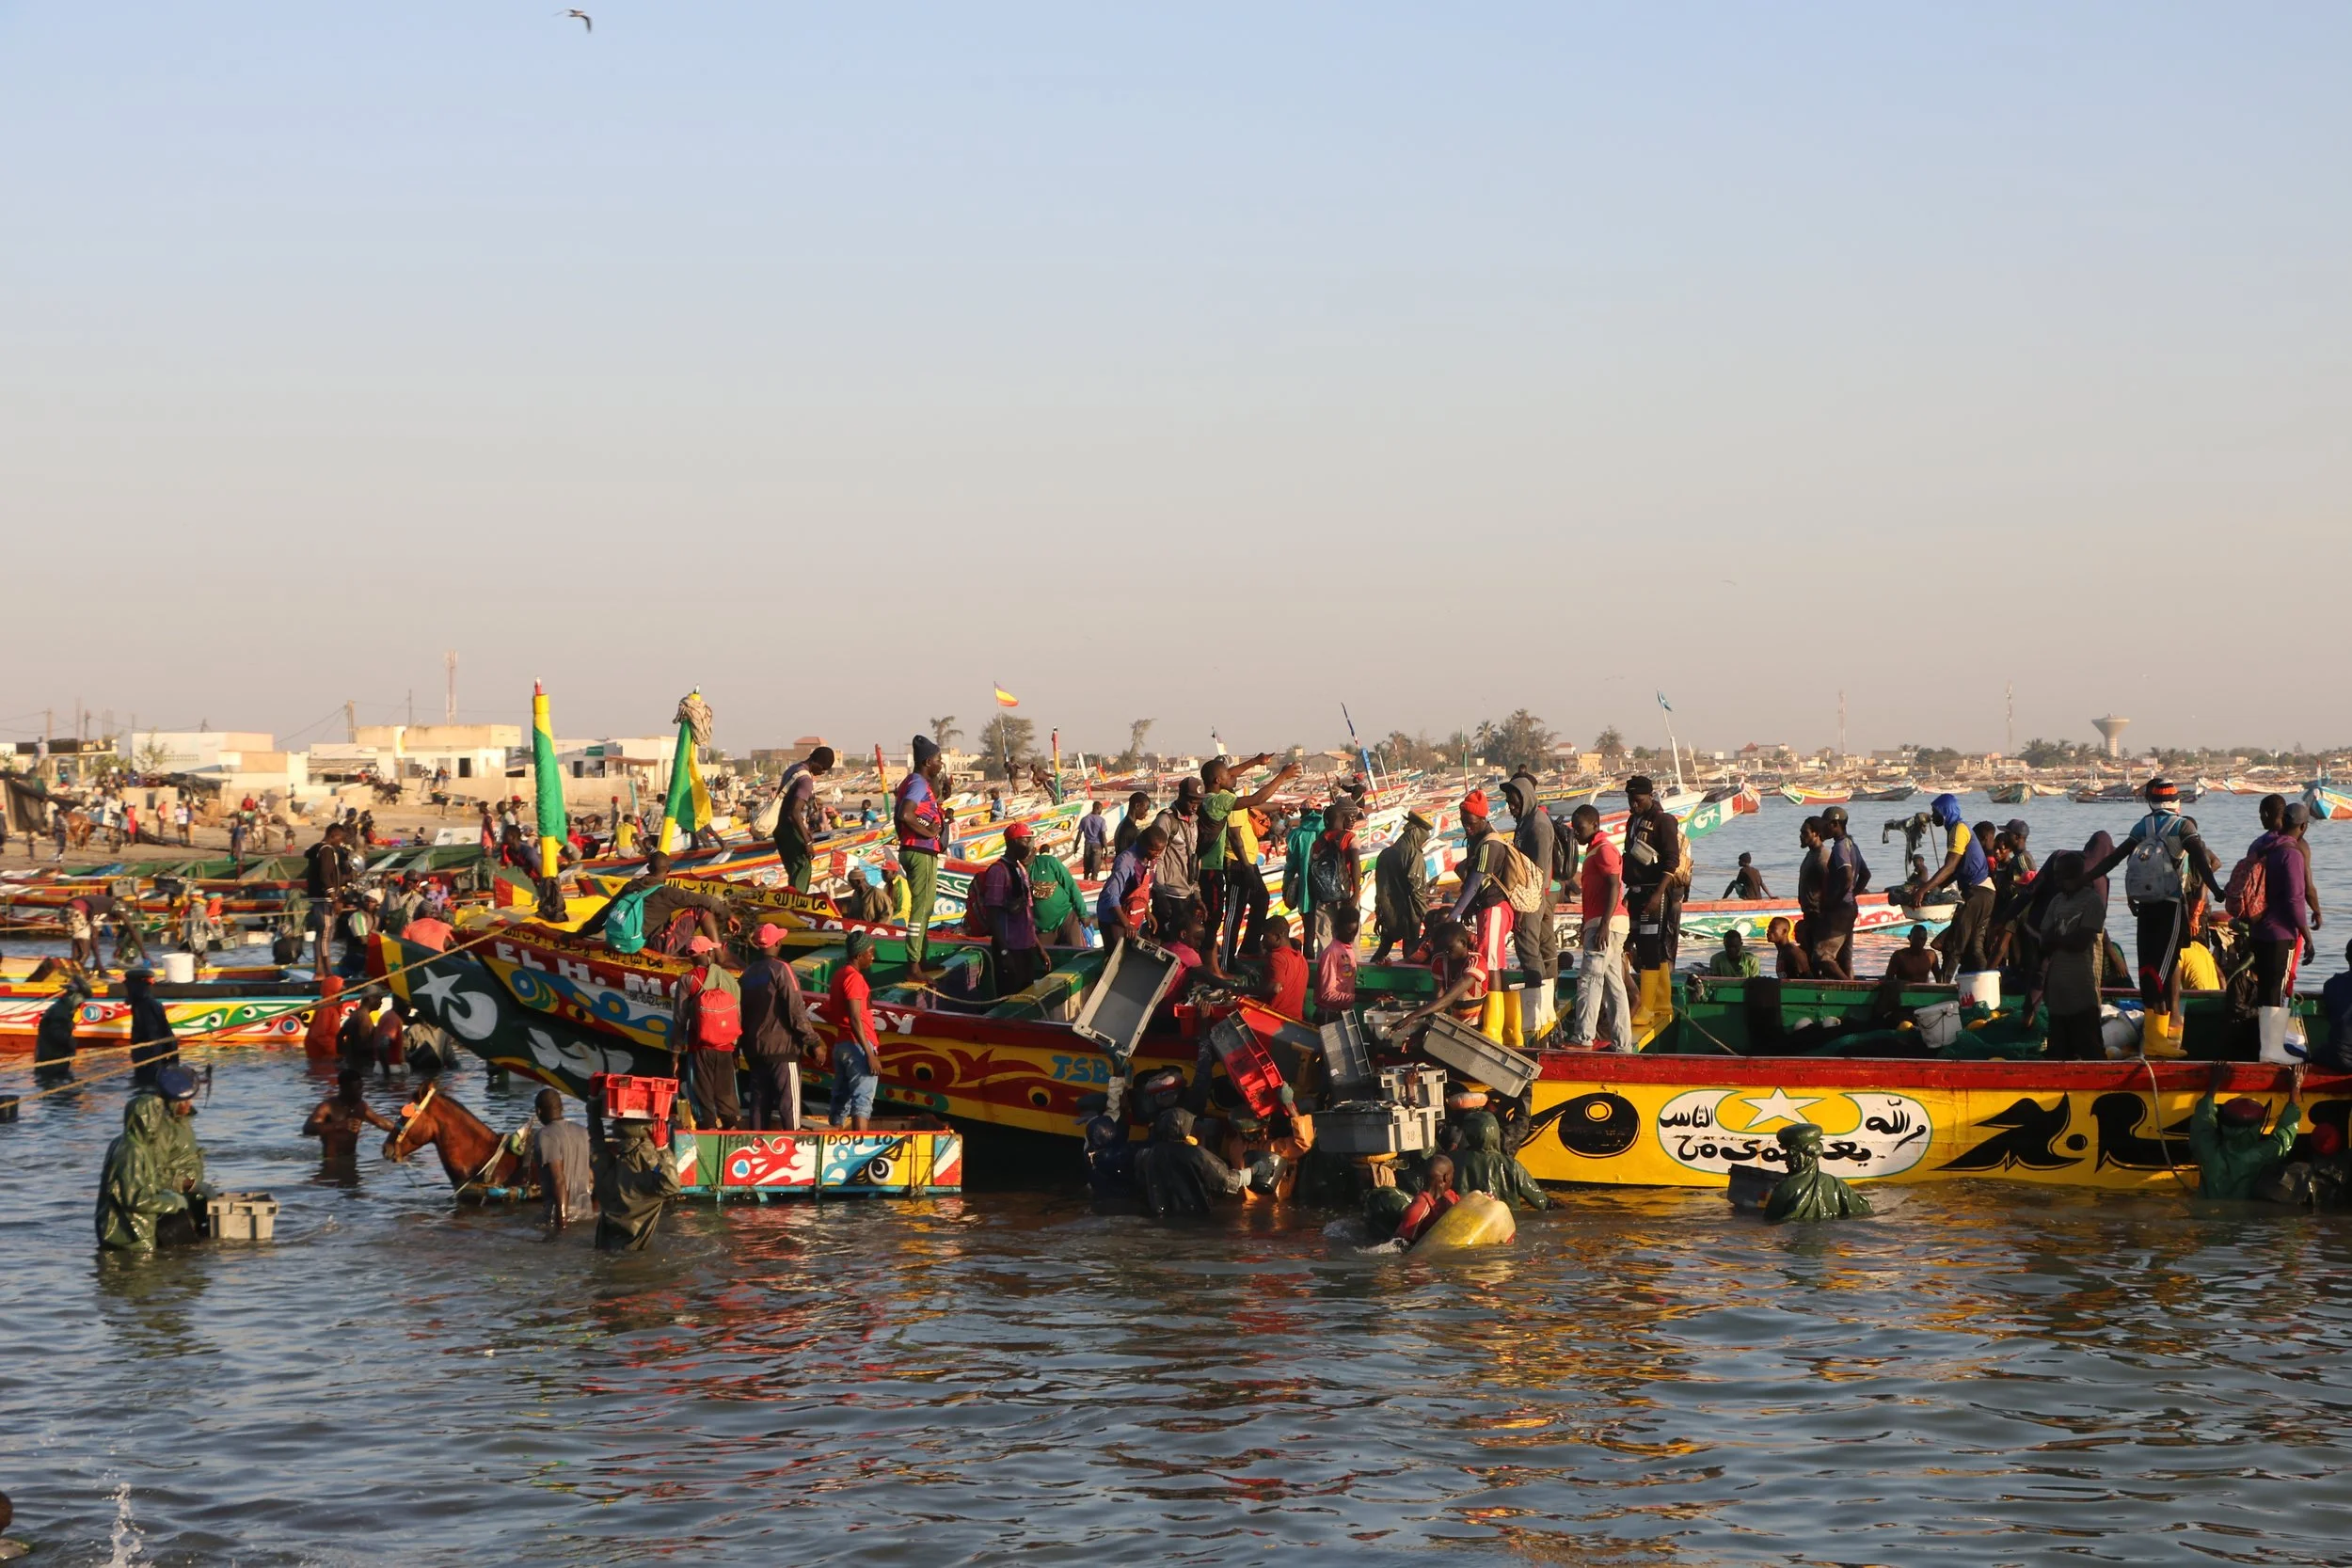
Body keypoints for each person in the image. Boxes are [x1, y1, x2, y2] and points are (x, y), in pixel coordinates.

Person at [2081, 780, 2224, 1030]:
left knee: (2148, 964)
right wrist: (2217, 890)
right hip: (2171, 904)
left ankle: (2155, 1026)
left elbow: (2115, 859)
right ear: (2176, 802)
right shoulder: (2182, 826)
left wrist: (2085, 879)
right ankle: (2169, 1025)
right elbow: (2201, 860)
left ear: (2151, 803)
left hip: (2146, 904)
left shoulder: (2142, 826)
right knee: (2169, 963)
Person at [1198, 752, 1296, 962]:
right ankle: (1227, 961)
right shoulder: (1223, 800)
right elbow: (1237, 834)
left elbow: (1253, 802)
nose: (1234, 775)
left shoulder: (1227, 795)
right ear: (1219, 780)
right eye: (1229, 775)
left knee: (1261, 899)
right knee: (1234, 913)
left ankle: (1249, 948)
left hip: (1248, 860)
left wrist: (1256, 762)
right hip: (1237, 862)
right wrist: (1282, 776)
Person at [1445, 790, 1518, 1042]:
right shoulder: (1477, 839)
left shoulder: (1489, 843)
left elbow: (1475, 883)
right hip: (1486, 909)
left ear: (1482, 818)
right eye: (1464, 822)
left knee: (1491, 965)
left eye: (1471, 822)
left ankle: (1493, 1030)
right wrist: (1468, 909)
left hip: (1495, 907)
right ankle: (1510, 1030)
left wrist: (1455, 913)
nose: (1467, 827)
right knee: (1495, 964)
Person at [739, 923, 822, 1131]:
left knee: (759, 1107)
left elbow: (740, 1014)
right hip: (783, 1050)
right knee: (789, 1107)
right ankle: (793, 1144)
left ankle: (756, 1142)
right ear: (777, 943)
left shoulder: (747, 974)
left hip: (755, 1051)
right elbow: (796, 1009)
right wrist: (814, 1042)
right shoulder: (781, 969)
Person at [2033, 852, 2110, 1060]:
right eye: (2056, 875)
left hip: (2083, 988)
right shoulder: (2057, 901)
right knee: (2058, 1050)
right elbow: (2044, 941)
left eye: (2062, 876)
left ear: (2076, 875)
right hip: (2058, 990)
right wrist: (2063, 939)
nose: (2057, 881)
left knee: (2090, 1046)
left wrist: (2057, 939)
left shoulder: (2092, 901)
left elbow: (2081, 942)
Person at [95, 1092, 195, 1251]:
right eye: (156, 1116)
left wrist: (169, 1190)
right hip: (130, 1238)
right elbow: (137, 1200)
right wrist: (172, 1203)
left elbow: (145, 1184)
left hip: (126, 1232)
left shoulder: (126, 1143)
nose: (160, 1122)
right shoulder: (132, 1151)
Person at [1565, 803, 1629, 1049]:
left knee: (1590, 979)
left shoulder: (1604, 849)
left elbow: (1615, 885)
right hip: (1605, 922)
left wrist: (1603, 924)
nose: (1576, 833)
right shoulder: (1595, 851)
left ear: (1594, 825)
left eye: (1579, 828)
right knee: (1613, 986)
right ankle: (1623, 1043)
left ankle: (1583, 1037)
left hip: (1607, 924)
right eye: (1574, 828)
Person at [2190, 1062, 2302, 1199]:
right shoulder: (2262, 1154)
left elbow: (2202, 1121)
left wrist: (2213, 1085)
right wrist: (2295, 1090)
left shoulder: (2207, 1150)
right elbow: (2283, 1137)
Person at [1912, 795, 1994, 979]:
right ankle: (1982, 981)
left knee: (1953, 945)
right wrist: (1935, 889)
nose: (1933, 816)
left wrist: (1924, 889)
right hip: (1983, 893)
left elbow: (1950, 867)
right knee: (1974, 947)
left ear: (1945, 812)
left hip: (1978, 892)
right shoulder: (1955, 830)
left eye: (1936, 812)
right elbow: (1956, 871)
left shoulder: (1959, 829)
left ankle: (1944, 985)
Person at [1502, 775, 1560, 1033]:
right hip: (1536, 896)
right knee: (1544, 950)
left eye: (1514, 802)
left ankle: (1537, 1013)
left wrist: (1524, 909)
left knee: (1528, 950)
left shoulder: (1537, 826)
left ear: (1525, 799)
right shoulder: (1526, 821)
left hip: (1533, 897)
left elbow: (1537, 872)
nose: (1511, 807)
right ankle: (1548, 1009)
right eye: (1508, 802)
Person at [671, 934, 743, 1130]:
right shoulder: (727, 978)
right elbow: (738, 1014)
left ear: (691, 956)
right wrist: (736, 1048)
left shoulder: (688, 979)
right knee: (726, 1092)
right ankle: (731, 1126)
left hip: (699, 1047)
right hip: (726, 1047)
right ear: (709, 953)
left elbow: (680, 1019)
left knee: (701, 1093)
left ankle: (708, 1127)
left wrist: (675, 1053)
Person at [894, 735, 950, 980]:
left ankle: (921, 957)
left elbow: (901, 816)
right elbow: (906, 814)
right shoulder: (917, 783)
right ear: (928, 761)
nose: (941, 763)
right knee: (921, 907)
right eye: (938, 759)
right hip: (921, 851)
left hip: (912, 849)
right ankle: (914, 965)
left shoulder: (911, 782)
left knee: (926, 907)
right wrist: (928, 833)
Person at [1136, 1107, 1254, 1217]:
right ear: (1183, 1129)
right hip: (1193, 1217)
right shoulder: (1195, 1154)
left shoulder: (1146, 1155)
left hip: (1159, 1215)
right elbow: (1224, 1181)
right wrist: (1251, 1172)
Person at [1621, 775, 1685, 978]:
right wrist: (1628, 894)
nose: (1633, 805)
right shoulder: (1632, 820)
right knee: (1634, 940)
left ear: (1650, 796)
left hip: (1655, 892)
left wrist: (1658, 895)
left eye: (1638, 800)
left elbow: (1672, 860)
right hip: (1635, 891)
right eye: (1630, 800)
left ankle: (1655, 995)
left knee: (1652, 947)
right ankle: (1645, 987)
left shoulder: (1663, 821)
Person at [2251, 804, 2313, 1011]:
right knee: (2275, 993)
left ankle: (2262, 1031)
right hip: (2280, 934)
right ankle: (2273, 1034)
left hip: (2257, 930)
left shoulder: (2262, 845)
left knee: (2264, 990)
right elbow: (2295, 899)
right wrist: (2307, 936)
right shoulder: (2291, 854)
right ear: (2303, 826)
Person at [592, 1107, 681, 1252]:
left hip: (604, 1249)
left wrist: (593, 1105)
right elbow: (672, 1185)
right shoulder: (646, 1185)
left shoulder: (604, 1170)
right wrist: (662, 1149)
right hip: (635, 1253)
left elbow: (596, 1142)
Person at [975, 820, 1047, 995]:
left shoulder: (1020, 869)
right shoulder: (998, 871)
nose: (1029, 844)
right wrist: (1004, 951)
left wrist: (1039, 948)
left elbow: (1028, 915)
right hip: (1010, 948)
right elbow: (993, 913)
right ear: (1013, 842)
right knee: (1009, 995)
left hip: (1025, 947)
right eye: (1025, 840)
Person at [825, 931, 882, 1131]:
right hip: (857, 1045)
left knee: (841, 1100)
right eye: (870, 952)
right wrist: (869, 1054)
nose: (873, 957)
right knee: (862, 1101)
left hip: (842, 1044)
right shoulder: (854, 978)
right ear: (859, 955)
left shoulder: (839, 975)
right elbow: (855, 1017)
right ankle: (860, 1143)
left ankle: (835, 1134)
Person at [1811, 807, 1870, 980]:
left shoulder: (1839, 848)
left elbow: (1847, 876)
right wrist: (1852, 895)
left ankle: (1847, 986)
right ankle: (1851, 986)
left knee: (1822, 956)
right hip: (1849, 906)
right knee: (1845, 957)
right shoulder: (1852, 845)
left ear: (1834, 824)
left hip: (1840, 909)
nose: (1822, 829)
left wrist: (1836, 900)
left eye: (1825, 825)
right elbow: (1865, 875)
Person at [1400, 919, 1488, 1032]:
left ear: (1463, 943)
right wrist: (1423, 1031)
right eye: (1442, 949)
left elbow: (1448, 999)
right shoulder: (1439, 960)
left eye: (1449, 948)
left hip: (1477, 1030)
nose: (1445, 952)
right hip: (1454, 1027)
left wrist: (1413, 1016)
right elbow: (1439, 1002)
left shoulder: (1476, 963)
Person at [1453, 1110, 1550, 1210]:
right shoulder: (1512, 1166)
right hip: (1505, 1217)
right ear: (1496, 1133)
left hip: (1465, 1216)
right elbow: (1541, 1202)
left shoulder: (1452, 1160)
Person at [1373, 812, 1435, 965]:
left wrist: (1379, 913)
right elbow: (1417, 889)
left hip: (1388, 912)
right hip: (1409, 913)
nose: (1422, 843)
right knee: (1410, 951)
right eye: (1423, 839)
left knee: (1383, 948)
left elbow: (1379, 889)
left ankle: (1366, 971)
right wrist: (1426, 914)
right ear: (1416, 834)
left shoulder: (1385, 854)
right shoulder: (1414, 855)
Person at [771, 746, 836, 892]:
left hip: (778, 826)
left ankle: (791, 897)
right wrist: (807, 841)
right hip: (789, 827)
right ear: (816, 761)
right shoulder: (806, 780)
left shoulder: (793, 769)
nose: (822, 772)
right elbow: (794, 812)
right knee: (803, 866)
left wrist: (806, 833)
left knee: (794, 868)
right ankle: (797, 900)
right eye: (823, 768)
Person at [529, 1088, 595, 1227]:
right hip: (586, 1214)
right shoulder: (583, 1132)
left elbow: (559, 1180)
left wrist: (562, 1225)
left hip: (558, 1217)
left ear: (538, 1111)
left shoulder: (545, 1135)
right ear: (562, 1108)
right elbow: (592, 1175)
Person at [1150, 777, 1205, 939]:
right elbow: (1156, 860)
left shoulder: (1193, 822)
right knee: (1167, 941)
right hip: (1170, 895)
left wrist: (1197, 895)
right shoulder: (1165, 820)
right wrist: (1160, 894)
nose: (1195, 807)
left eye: (1198, 803)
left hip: (1187, 895)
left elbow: (1193, 859)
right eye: (1191, 802)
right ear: (1181, 797)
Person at [301, 1069, 397, 1162]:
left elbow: (381, 1122)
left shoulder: (361, 1106)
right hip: (330, 1161)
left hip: (352, 1159)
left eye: (361, 1088)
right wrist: (339, 1125)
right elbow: (308, 1129)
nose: (360, 1093)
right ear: (343, 1088)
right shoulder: (327, 1107)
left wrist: (401, 1130)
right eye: (356, 1090)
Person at [1096, 822, 1164, 953]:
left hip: (1131, 914)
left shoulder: (1151, 860)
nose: (1157, 854)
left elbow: (1143, 889)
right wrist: (1126, 924)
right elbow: (1112, 895)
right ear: (1143, 844)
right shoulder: (1126, 862)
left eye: (1160, 851)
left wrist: (1146, 912)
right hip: (1113, 917)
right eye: (1153, 850)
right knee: (1117, 956)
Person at [303, 822, 353, 974]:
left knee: (321, 934)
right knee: (326, 933)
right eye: (340, 839)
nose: (340, 843)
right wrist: (334, 898)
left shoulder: (317, 849)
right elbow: (325, 874)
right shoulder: (326, 850)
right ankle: (327, 970)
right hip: (325, 898)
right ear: (334, 836)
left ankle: (319, 969)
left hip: (317, 897)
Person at [1026, 836, 1088, 947]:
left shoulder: (1050, 862)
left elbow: (1071, 886)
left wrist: (1082, 913)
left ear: (1034, 851)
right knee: (1045, 956)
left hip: (1065, 918)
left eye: (1027, 851)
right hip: (1041, 928)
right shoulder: (1016, 872)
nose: (1025, 856)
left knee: (1077, 953)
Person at [123, 966, 178, 1089]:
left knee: (146, 1085)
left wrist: (173, 1059)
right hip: (146, 1055)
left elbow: (164, 1032)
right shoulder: (142, 1004)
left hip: (149, 1056)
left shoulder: (146, 1005)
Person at [1249, 915, 1311, 1018]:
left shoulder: (1277, 957)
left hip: (1275, 1019)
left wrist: (1245, 990)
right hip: (1296, 1020)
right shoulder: (1301, 959)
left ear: (1277, 937)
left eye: (1265, 937)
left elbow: (1275, 988)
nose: (1262, 941)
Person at [1394, 1155, 1459, 1245]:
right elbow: (1399, 1244)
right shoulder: (1420, 1207)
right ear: (1446, 1177)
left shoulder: (1450, 1195)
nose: (1453, 1178)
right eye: (1452, 1173)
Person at [35, 976, 88, 1075]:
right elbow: (60, 1036)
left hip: (54, 1062)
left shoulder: (61, 1009)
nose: (80, 1006)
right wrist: (72, 1044)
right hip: (52, 1066)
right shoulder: (60, 1013)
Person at [1315, 905, 1360, 1017]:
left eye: (1354, 932)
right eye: (1348, 932)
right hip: (1329, 1015)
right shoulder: (1331, 953)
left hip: (1344, 1012)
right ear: (1338, 927)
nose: (1351, 937)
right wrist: (1359, 998)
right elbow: (1327, 994)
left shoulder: (1349, 950)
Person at [1766, 915, 1810, 980]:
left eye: (1773, 928)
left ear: (1784, 931)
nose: (1768, 931)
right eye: (1769, 928)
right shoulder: (1782, 951)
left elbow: (1808, 979)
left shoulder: (1793, 952)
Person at [1112, 791, 1153, 858]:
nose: (1146, 814)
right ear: (1137, 806)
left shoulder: (1123, 824)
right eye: (1145, 810)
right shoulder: (1131, 829)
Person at [1078, 800, 1110, 878]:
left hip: (1087, 847)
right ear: (1098, 808)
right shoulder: (1102, 820)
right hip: (1097, 847)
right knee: (1094, 874)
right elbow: (1103, 836)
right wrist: (1106, 849)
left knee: (1086, 873)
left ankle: (1085, 884)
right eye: (1101, 809)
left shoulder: (1084, 819)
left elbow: (1079, 835)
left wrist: (1075, 847)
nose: (1101, 811)